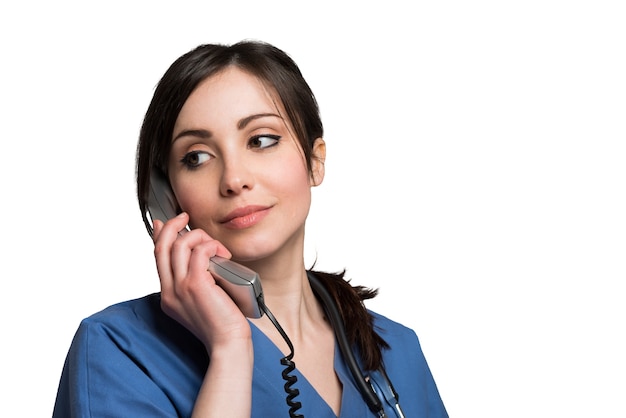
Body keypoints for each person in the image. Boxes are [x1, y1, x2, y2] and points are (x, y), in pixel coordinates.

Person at [53, 40, 448, 418]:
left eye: (261, 140)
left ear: (315, 162)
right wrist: (229, 349)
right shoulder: (117, 349)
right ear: (167, 195)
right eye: (197, 157)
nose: (234, 179)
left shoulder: (397, 350)